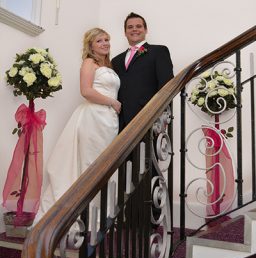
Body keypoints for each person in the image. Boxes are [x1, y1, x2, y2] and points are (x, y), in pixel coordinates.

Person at [33, 28, 121, 227]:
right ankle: (88, 215)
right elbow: (86, 91)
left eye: (107, 39)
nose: (105, 43)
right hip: (93, 118)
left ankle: (102, 212)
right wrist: (112, 103)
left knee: (103, 164)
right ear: (91, 45)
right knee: (90, 163)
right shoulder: (89, 62)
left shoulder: (108, 65)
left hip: (108, 121)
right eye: (99, 40)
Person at [112, 12, 174, 131]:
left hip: (148, 116)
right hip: (120, 120)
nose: (134, 29)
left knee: (151, 150)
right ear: (125, 32)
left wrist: (163, 115)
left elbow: (167, 86)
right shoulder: (116, 60)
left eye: (138, 26)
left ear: (145, 30)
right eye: (130, 27)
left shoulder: (158, 51)